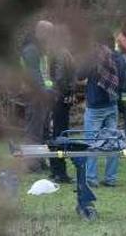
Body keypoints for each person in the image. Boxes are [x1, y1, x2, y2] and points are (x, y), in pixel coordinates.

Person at [77, 33, 126, 188]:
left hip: (95, 105)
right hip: (112, 104)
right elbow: (122, 81)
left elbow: (79, 75)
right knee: (112, 141)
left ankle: (91, 178)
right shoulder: (118, 58)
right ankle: (111, 178)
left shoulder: (93, 57)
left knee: (91, 142)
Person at [21, 20, 55, 173]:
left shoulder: (41, 50)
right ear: (40, 33)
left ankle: (40, 160)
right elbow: (35, 75)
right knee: (34, 130)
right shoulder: (31, 51)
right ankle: (32, 164)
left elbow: (45, 74)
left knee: (44, 129)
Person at [48, 24, 77, 184]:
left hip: (57, 97)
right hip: (60, 98)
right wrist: (68, 93)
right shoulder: (61, 53)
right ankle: (60, 171)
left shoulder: (58, 52)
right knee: (61, 134)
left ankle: (56, 169)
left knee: (57, 134)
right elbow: (59, 77)